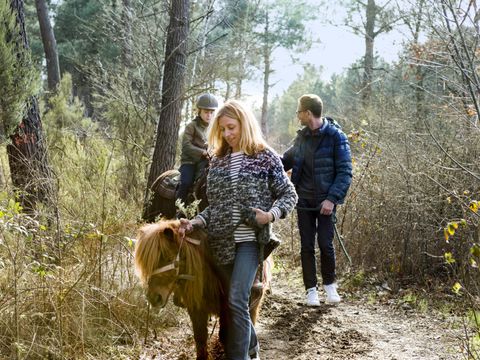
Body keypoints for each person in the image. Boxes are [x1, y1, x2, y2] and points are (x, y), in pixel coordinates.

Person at [179, 100, 297, 360]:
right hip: (219, 244)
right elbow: (215, 208)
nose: (227, 134)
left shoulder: (264, 156)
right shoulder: (218, 161)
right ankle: (252, 348)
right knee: (235, 304)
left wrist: (270, 215)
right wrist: (195, 222)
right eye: (222, 129)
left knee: (235, 301)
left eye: (231, 127)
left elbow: (289, 194)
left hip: (250, 241)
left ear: (244, 123)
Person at [282, 94, 352, 306]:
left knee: (325, 243)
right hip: (303, 201)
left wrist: (331, 199)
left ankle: (330, 286)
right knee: (306, 246)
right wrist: (261, 158)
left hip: (325, 204)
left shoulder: (336, 137)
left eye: (299, 112)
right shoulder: (301, 138)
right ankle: (311, 290)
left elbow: (345, 172)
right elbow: (284, 161)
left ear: (308, 113)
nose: (298, 116)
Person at [175, 93, 218, 210]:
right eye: (206, 112)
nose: (209, 115)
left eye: (211, 112)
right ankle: (179, 210)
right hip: (190, 162)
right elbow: (186, 146)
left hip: (206, 161)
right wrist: (202, 152)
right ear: (199, 111)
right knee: (186, 183)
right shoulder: (191, 126)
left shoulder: (215, 128)